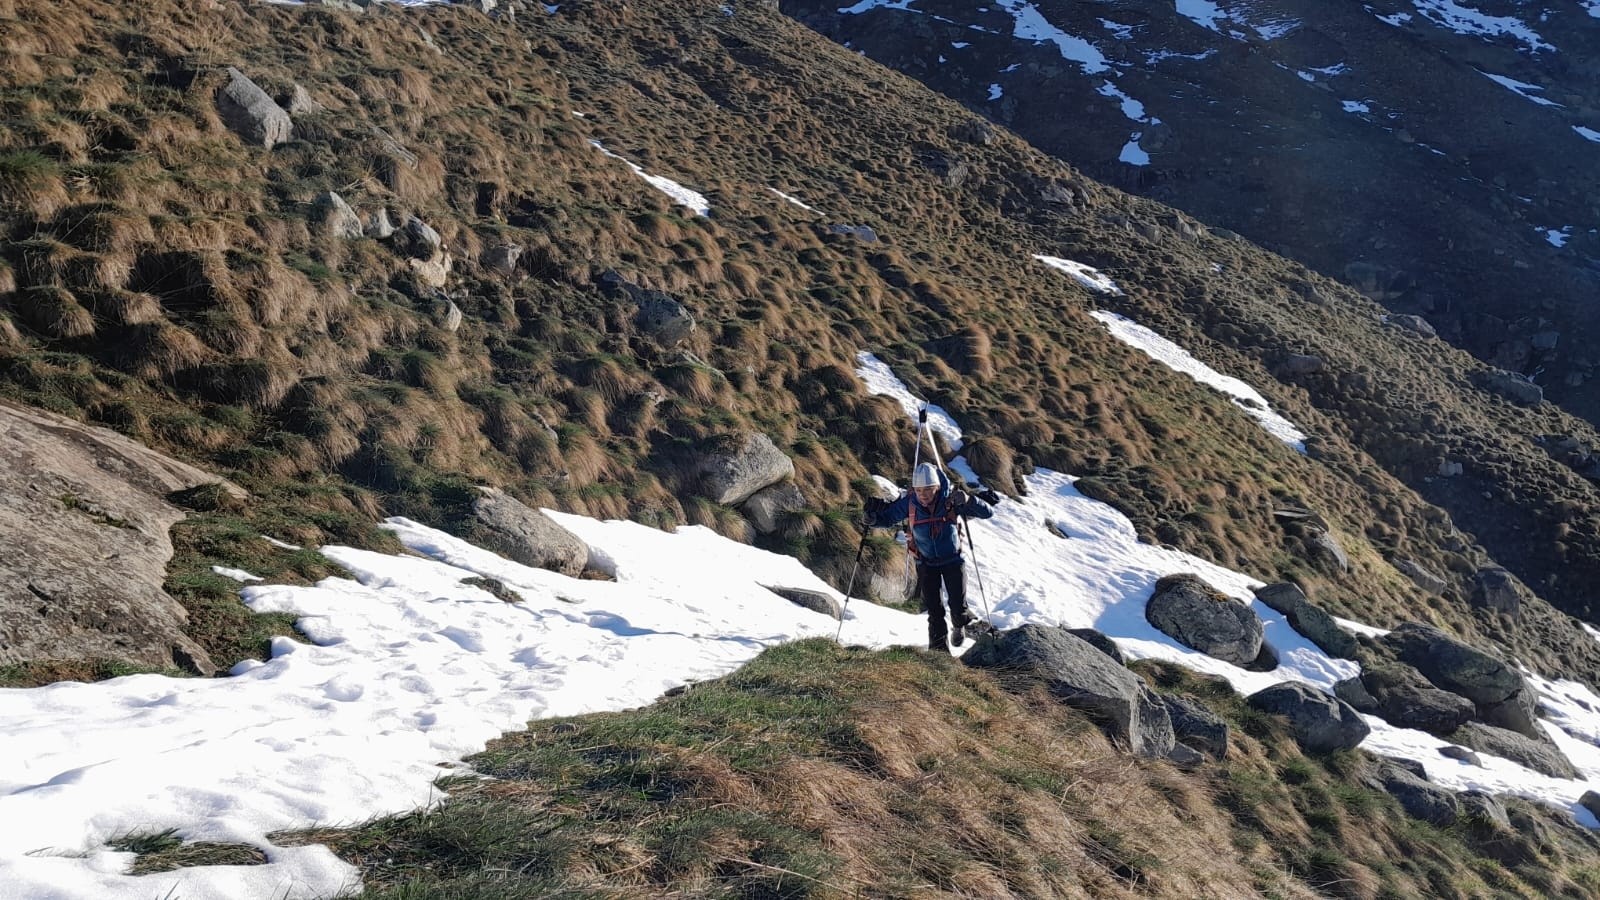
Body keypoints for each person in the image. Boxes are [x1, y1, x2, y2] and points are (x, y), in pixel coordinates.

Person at [863, 462, 995, 652]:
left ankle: (958, 625)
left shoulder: (950, 500)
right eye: (918, 490)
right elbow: (888, 517)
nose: (923, 495)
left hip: (953, 561)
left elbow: (987, 512)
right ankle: (939, 652)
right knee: (934, 610)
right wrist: (873, 520)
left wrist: (969, 500)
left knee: (958, 606)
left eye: (928, 490)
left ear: (937, 487)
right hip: (925, 564)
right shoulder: (910, 503)